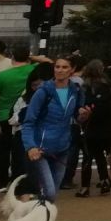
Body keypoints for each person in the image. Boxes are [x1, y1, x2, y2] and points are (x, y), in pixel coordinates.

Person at [20, 55, 83, 206]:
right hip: (40, 148)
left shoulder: (75, 90)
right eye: (57, 67)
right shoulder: (43, 92)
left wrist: (83, 115)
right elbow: (28, 121)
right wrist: (30, 146)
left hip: (62, 147)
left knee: (52, 194)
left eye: (64, 67)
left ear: (72, 70)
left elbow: (76, 117)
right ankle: (33, 215)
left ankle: (39, 220)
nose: (60, 70)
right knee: (49, 192)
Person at [0, 43, 34, 191]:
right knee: (19, 152)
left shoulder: (3, 75)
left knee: (3, 151)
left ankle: (2, 180)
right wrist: (34, 58)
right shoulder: (33, 70)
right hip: (24, 115)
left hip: (3, 115)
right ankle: (17, 180)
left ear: (12, 57)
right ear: (28, 57)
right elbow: (49, 63)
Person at [75, 60, 111, 197]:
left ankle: (85, 186)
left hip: (90, 125)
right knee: (100, 155)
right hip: (105, 125)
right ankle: (104, 180)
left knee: (88, 156)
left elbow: (82, 105)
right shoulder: (108, 86)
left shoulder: (85, 87)